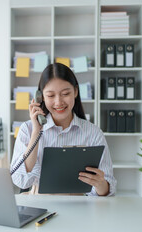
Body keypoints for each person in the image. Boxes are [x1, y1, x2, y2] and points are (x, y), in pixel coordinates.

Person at [10, 63, 116, 196]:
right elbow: (21, 181)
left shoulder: (93, 132)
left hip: (78, 207)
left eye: (65, 94)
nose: (58, 102)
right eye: (50, 95)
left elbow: (107, 189)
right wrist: (36, 132)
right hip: (40, 206)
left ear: (75, 92)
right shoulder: (27, 129)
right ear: (40, 96)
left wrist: (101, 185)